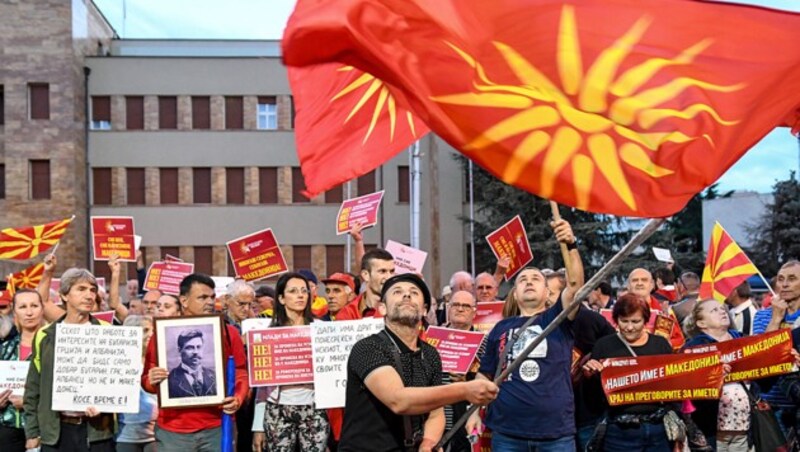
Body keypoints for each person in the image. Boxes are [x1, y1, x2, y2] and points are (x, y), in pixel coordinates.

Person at [339, 273, 499, 452]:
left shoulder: (430, 354)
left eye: (414, 292)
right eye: (397, 292)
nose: (406, 295)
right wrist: (464, 390)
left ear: (424, 310)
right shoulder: (368, 348)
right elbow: (398, 400)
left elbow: (436, 412)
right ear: (382, 308)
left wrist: (429, 441)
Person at [468, 218, 584, 450]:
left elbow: (575, 284)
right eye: (522, 280)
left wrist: (570, 245)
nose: (529, 282)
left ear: (547, 291)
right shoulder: (499, 329)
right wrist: (473, 413)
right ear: (515, 293)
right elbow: (484, 376)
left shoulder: (558, 318)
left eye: (535, 279)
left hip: (555, 435)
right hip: (507, 434)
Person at [141, 273, 248, 452]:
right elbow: (146, 380)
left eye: (212, 297)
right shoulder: (161, 334)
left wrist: (238, 397)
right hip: (173, 431)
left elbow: (241, 372)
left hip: (218, 426)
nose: (210, 302)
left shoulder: (229, 333)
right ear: (184, 300)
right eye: (203, 297)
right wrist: (151, 381)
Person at [24, 268, 116, 452]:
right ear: (64, 295)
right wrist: (32, 433)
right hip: (56, 432)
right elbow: (34, 386)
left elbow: (118, 382)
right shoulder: (45, 334)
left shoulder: (108, 331)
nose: (89, 295)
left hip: (96, 432)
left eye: (92, 290)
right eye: (81, 289)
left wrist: (105, 405)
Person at [582, 294, 675, 451]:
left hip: (658, 429)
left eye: (635, 321)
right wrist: (589, 376)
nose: (629, 327)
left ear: (645, 320)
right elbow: (594, 397)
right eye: (624, 321)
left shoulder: (660, 344)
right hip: (619, 430)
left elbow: (675, 383)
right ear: (616, 320)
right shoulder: (604, 345)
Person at [252, 273, 329, 452]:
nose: (301, 295)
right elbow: (261, 386)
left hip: (314, 408)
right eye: (293, 291)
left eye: (304, 291)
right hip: (277, 410)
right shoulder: (267, 334)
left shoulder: (322, 330)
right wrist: (257, 426)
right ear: (281, 298)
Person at [682, 299, 751, 451]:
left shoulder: (744, 340)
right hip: (710, 426)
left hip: (744, 424)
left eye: (722, 308)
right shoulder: (692, 348)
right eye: (714, 310)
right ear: (701, 324)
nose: (722, 311)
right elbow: (687, 384)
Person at [1, 289, 45, 452]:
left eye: (34, 305)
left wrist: (29, 401)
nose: (29, 312)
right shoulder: (4, 348)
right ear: (14, 311)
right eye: (23, 307)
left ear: (42, 308)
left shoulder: (53, 347)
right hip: (6, 427)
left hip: (43, 429)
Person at [117, 315, 157, 452]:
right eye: (145, 330)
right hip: (126, 436)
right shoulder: (118, 363)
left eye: (152, 331)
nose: (150, 335)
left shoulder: (157, 361)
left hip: (155, 435)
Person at [626, 268, 684, 349]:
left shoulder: (664, 309)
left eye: (644, 280)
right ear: (628, 286)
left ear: (652, 285)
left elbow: (679, 340)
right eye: (635, 280)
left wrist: (665, 344)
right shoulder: (618, 310)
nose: (639, 283)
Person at [336, 248, 396, 320]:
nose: (389, 277)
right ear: (365, 275)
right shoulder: (347, 314)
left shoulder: (402, 309)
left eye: (392, 271)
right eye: (382, 271)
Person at [167, 329, 217, 398]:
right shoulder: (169, 380)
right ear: (179, 350)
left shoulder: (214, 376)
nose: (196, 352)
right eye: (190, 348)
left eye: (199, 347)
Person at [754, 260, 800, 334]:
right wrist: (775, 319)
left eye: (792, 279)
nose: (784, 284)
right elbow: (763, 345)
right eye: (780, 279)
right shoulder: (762, 315)